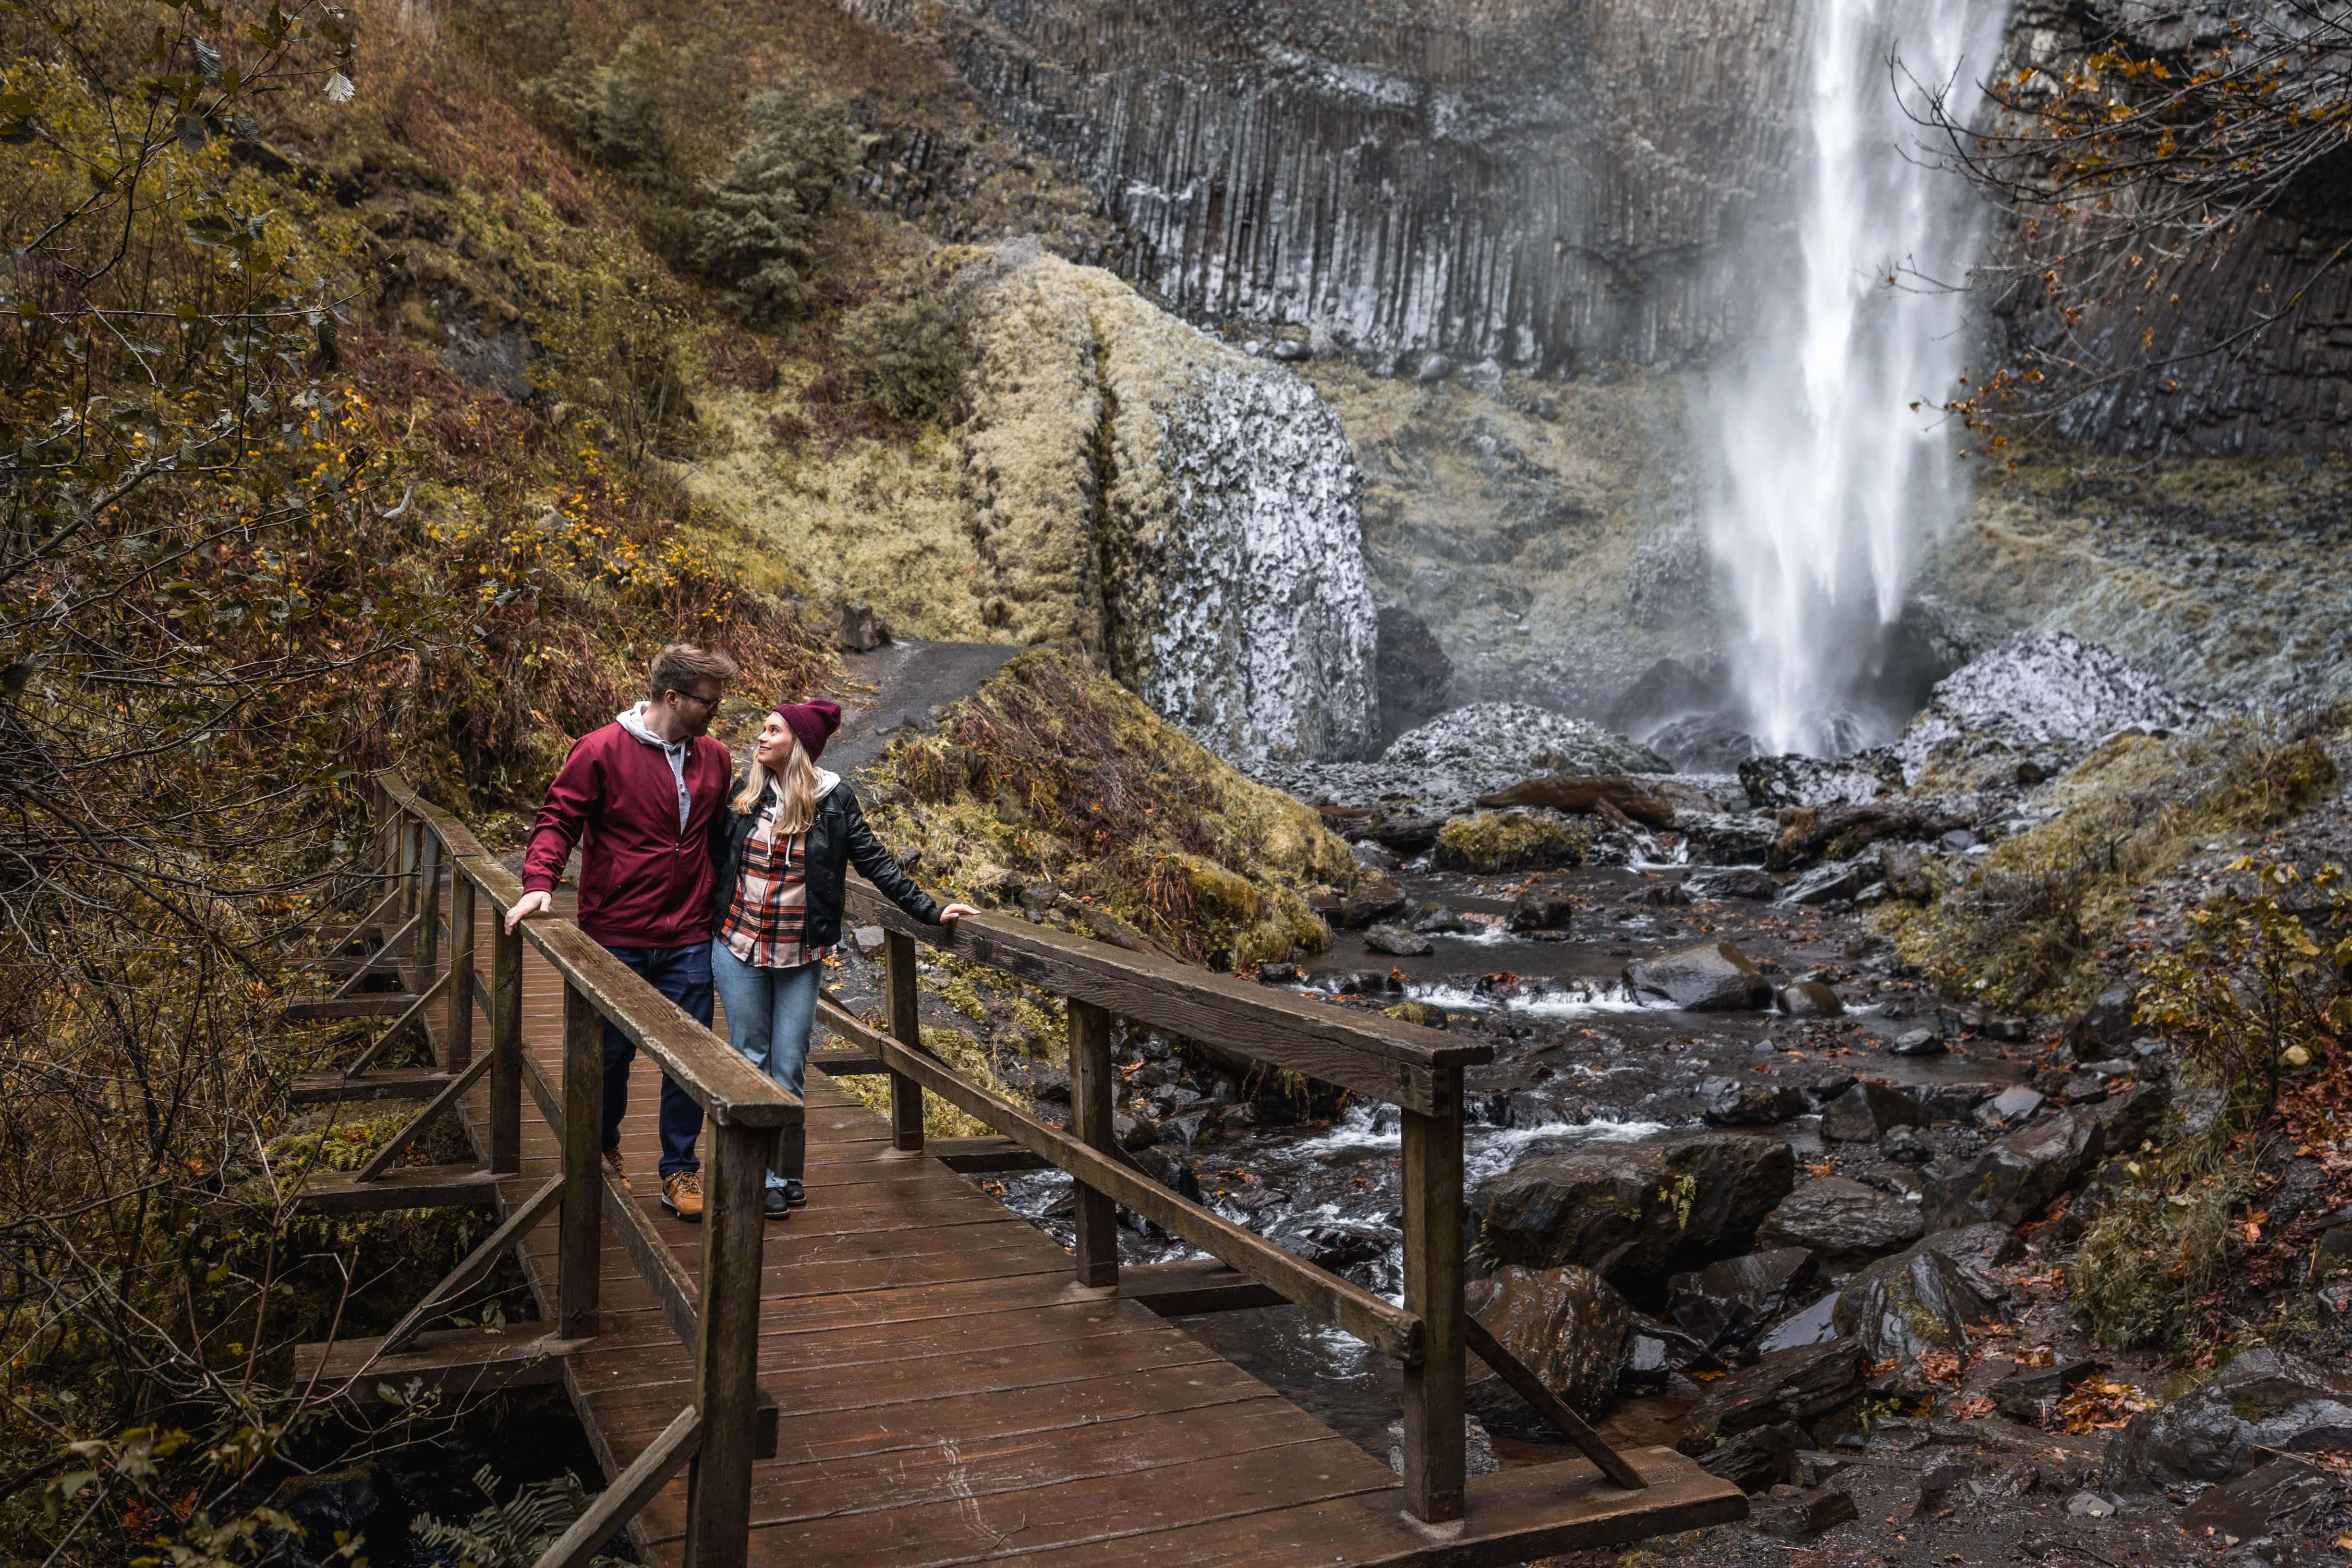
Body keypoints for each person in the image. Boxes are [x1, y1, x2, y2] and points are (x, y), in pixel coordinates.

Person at [709, 698, 978, 1217]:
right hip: (737, 945)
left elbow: (874, 862)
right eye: (762, 730)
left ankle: (785, 1170)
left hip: (799, 953)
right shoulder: (743, 798)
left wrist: (930, 909)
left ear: (799, 743)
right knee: (751, 1059)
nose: (760, 738)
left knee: (788, 1067)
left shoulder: (833, 800)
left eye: (772, 730)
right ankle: (758, 1175)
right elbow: (712, 863)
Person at [507, 644, 739, 1222]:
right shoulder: (601, 749)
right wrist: (539, 880)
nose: (717, 712)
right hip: (615, 929)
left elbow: (719, 839)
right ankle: (603, 1145)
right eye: (709, 703)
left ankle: (679, 1168)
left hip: (687, 930)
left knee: (689, 1054)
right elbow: (558, 817)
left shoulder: (714, 757)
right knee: (609, 1056)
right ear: (672, 697)